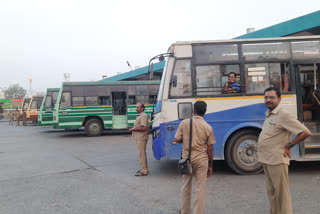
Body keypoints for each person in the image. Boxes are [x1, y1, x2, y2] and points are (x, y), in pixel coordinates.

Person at [258, 87, 311, 214]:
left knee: (282, 196)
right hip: (267, 159)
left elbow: (305, 132)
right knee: (272, 193)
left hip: (277, 160)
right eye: (266, 97)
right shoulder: (270, 114)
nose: (268, 100)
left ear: (279, 99)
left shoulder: (283, 114)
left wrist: (289, 146)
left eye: (272, 97)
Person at [174, 101, 215, 214]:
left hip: (187, 160)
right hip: (202, 161)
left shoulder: (184, 123)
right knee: (200, 189)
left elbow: (177, 139)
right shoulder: (208, 127)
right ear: (205, 112)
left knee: (186, 186)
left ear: (193, 111)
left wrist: (186, 140)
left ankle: (185, 211)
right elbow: (210, 148)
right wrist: (210, 165)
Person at [129, 103, 149, 176]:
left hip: (141, 137)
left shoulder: (143, 116)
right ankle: (144, 168)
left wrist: (133, 129)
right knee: (142, 154)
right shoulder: (141, 115)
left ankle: (144, 171)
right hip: (139, 137)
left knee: (142, 154)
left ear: (142, 108)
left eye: (138, 107)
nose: (136, 109)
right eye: (136, 107)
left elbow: (144, 128)